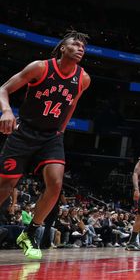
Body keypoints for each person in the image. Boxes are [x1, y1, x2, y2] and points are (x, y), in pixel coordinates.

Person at [0, 30, 91, 259]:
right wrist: (8, 111)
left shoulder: (83, 79)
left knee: (56, 184)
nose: (81, 48)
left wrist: (61, 130)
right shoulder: (40, 67)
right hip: (25, 132)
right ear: (62, 47)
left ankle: (29, 234)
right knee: (6, 185)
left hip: (51, 137)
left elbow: (71, 106)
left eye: (83, 47)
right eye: (75, 44)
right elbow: (3, 89)